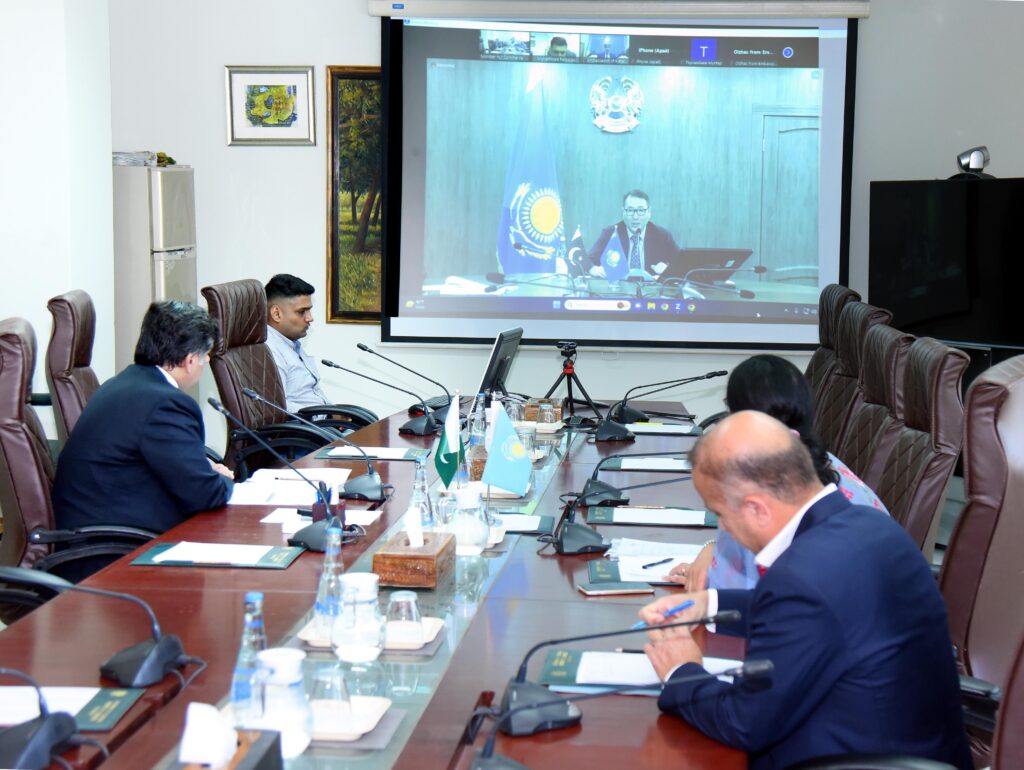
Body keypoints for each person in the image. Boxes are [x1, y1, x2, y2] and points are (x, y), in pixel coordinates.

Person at [640, 411, 972, 770]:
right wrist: (710, 604)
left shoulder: (801, 577)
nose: (723, 528)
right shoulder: (871, 525)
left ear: (756, 508)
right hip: (907, 745)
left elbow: (744, 721)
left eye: (719, 513)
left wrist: (681, 670)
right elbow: (821, 614)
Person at [670, 354, 886, 591]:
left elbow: (744, 594)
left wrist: (709, 579)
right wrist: (710, 550)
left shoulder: (762, 485)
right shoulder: (825, 463)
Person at [53, 301, 234, 537]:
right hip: (116, 545)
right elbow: (206, 494)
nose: (207, 361)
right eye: (206, 355)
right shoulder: (166, 404)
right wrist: (221, 479)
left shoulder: (124, 383)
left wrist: (201, 469)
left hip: (96, 526)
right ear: (190, 361)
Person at [264, 273, 330, 412]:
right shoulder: (270, 350)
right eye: (302, 312)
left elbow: (310, 394)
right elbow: (275, 406)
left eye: (309, 310)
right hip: (307, 424)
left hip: (321, 420)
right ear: (276, 314)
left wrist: (336, 412)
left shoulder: (291, 343)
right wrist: (327, 415)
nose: (310, 318)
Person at [587, 190, 679, 279]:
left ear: (649, 212)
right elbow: (587, 261)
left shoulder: (662, 236)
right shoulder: (611, 234)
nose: (635, 217)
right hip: (620, 287)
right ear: (623, 211)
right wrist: (593, 269)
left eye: (641, 210)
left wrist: (668, 269)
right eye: (630, 210)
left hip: (651, 288)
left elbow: (681, 265)